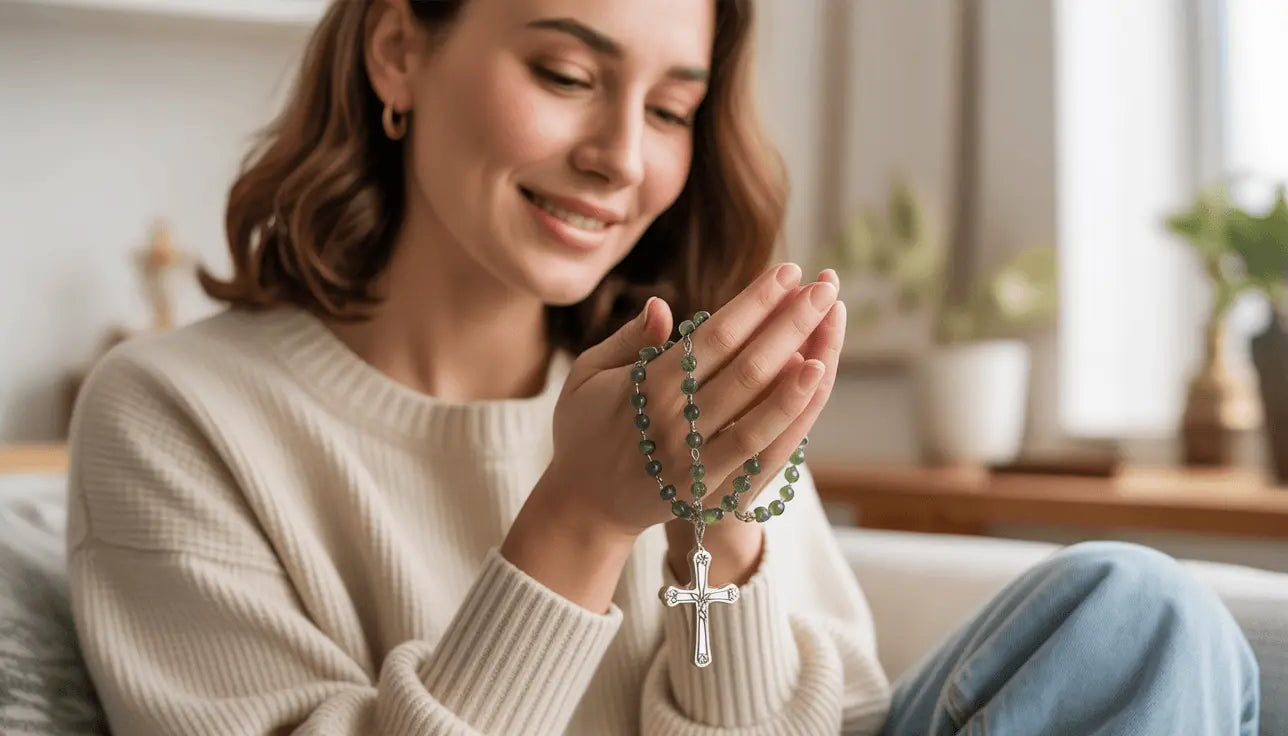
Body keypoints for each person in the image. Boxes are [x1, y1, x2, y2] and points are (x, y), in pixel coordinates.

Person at [64, 0, 1260, 734]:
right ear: (396, 52)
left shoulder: (690, 393)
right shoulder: (180, 411)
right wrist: (578, 521)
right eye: (566, 76)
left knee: (1141, 617)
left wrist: (714, 546)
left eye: (673, 109)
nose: (618, 159)